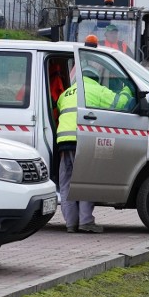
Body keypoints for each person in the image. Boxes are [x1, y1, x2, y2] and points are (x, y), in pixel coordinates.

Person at [56, 67, 131, 233]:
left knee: (66, 183)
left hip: (63, 142)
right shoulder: (97, 90)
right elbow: (120, 102)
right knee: (84, 182)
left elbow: (59, 107)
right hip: (82, 142)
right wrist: (127, 89)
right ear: (95, 78)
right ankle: (85, 222)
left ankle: (70, 224)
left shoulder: (67, 93)